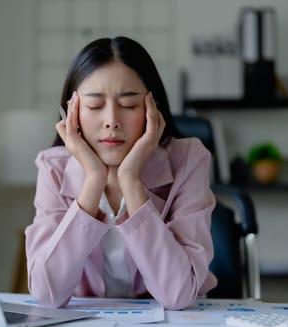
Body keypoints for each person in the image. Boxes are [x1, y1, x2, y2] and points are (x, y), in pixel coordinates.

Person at [25, 36, 216, 310]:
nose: (112, 121)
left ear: (154, 109)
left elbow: (178, 294)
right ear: (71, 113)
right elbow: (47, 294)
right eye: (94, 106)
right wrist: (93, 181)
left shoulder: (189, 160)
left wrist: (131, 181)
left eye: (129, 105)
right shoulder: (52, 168)